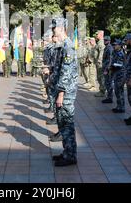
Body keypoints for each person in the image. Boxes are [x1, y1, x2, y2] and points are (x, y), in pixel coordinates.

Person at [51, 17, 78, 167]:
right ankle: (67, 152)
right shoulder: (63, 46)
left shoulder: (68, 47)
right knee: (63, 124)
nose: (54, 30)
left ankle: (70, 156)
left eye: (55, 28)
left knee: (67, 123)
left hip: (66, 94)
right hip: (62, 91)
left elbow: (67, 72)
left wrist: (61, 93)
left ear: (61, 28)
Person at [110, 39, 126, 113]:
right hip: (116, 73)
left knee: (119, 91)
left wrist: (112, 66)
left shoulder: (120, 53)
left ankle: (121, 107)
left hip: (120, 74)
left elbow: (120, 64)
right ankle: (119, 106)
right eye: (113, 45)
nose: (114, 46)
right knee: (117, 91)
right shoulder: (115, 52)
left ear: (119, 45)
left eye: (115, 45)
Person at [101, 36, 114, 104]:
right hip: (105, 68)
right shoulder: (106, 48)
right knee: (107, 83)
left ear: (109, 41)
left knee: (109, 83)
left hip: (107, 69)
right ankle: (108, 97)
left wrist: (107, 69)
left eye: (106, 40)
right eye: (104, 40)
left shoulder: (110, 48)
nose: (104, 41)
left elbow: (110, 59)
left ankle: (110, 97)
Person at [94, 30, 105, 97]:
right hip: (98, 62)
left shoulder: (101, 43)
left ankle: (102, 91)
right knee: (99, 77)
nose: (96, 35)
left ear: (101, 34)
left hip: (100, 63)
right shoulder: (99, 42)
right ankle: (101, 90)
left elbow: (101, 52)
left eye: (97, 34)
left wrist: (99, 60)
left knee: (100, 77)